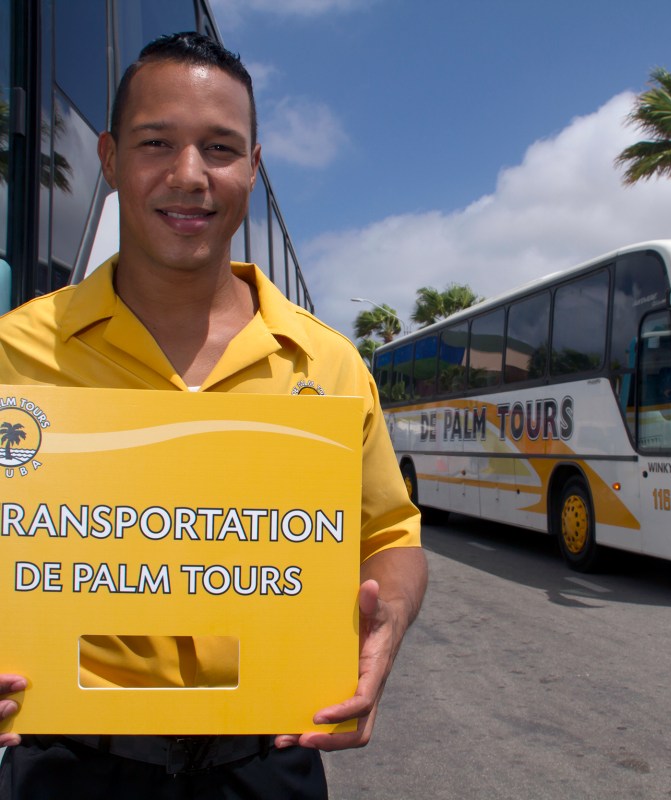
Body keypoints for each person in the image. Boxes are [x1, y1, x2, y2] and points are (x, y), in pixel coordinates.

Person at [0, 32, 426, 799]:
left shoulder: (326, 365)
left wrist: (386, 622)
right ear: (108, 158)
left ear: (253, 169)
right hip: (63, 766)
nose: (189, 175)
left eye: (220, 148)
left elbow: (391, 537)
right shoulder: (14, 351)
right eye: (156, 142)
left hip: (266, 766)